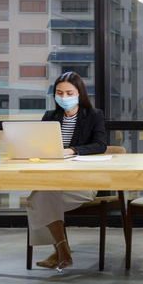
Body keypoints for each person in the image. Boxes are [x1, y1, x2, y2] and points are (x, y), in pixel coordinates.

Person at [26, 71, 107, 271]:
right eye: (59, 93)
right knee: (43, 194)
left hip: (81, 182)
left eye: (69, 92)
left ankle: (60, 250)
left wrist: (72, 150)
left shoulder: (94, 115)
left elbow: (100, 145)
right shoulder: (50, 116)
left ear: (79, 93)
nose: (64, 97)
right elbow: (40, 145)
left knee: (36, 200)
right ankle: (62, 250)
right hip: (54, 179)